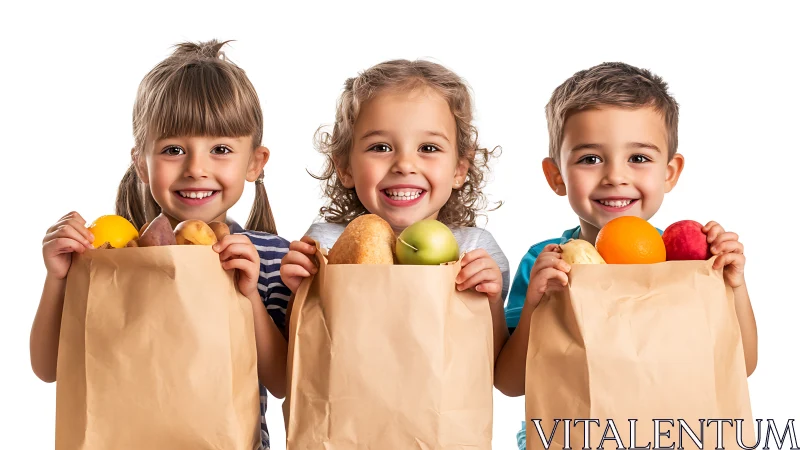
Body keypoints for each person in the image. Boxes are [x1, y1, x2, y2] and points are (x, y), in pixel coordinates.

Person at [30, 39, 290, 450]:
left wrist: (250, 297)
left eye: (221, 149)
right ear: (141, 163)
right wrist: (58, 278)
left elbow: (283, 382)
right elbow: (48, 368)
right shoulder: (113, 259)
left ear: (255, 163)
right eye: (173, 150)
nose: (196, 168)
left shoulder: (270, 257)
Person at [493, 62, 759, 449]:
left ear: (670, 172)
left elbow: (740, 365)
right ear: (556, 176)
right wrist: (535, 305)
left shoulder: (686, 260)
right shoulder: (545, 262)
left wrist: (735, 285)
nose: (615, 176)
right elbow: (510, 383)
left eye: (638, 158)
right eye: (590, 159)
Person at [280, 59, 510, 358]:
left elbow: (494, 366)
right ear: (345, 167)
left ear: (459, 169)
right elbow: (299, 357)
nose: (404, 165)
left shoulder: (475, 251)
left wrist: (491, 303)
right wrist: (299, 295)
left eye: (428, 148)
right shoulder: (326, 246)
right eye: (381, 147)